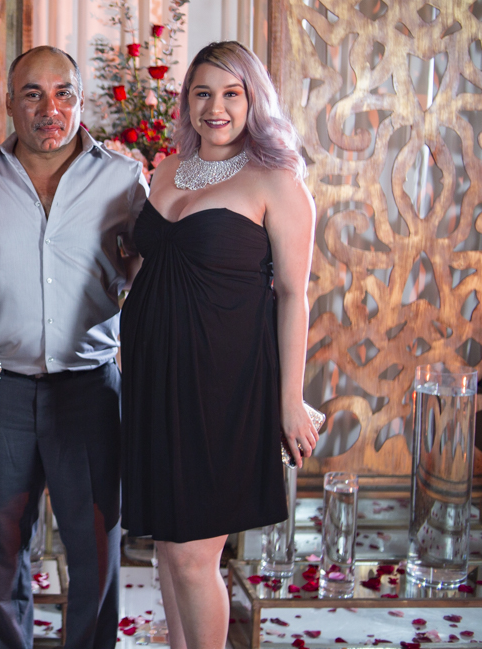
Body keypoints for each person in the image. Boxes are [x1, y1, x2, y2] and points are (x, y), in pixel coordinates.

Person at [120, 41, 319, 649]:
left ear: (254, 99)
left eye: (232, 93)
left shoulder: (277, 182)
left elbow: (294, 296)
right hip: (154, 380)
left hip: (223, 387)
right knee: (167, 548)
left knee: (192, 556)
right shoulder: (166, 170)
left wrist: (290, 400)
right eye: (202, 93)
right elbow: (146, 267)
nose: (216, 108)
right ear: (186, 102)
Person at [0, 46, 149, 649]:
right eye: (33, 94)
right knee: (0, 542)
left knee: (95, 547)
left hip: (88, 388)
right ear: (9, 102)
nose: (50, 108)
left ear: (81, 100)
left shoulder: (122, 179)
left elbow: (149, 273)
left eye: (63, 93)